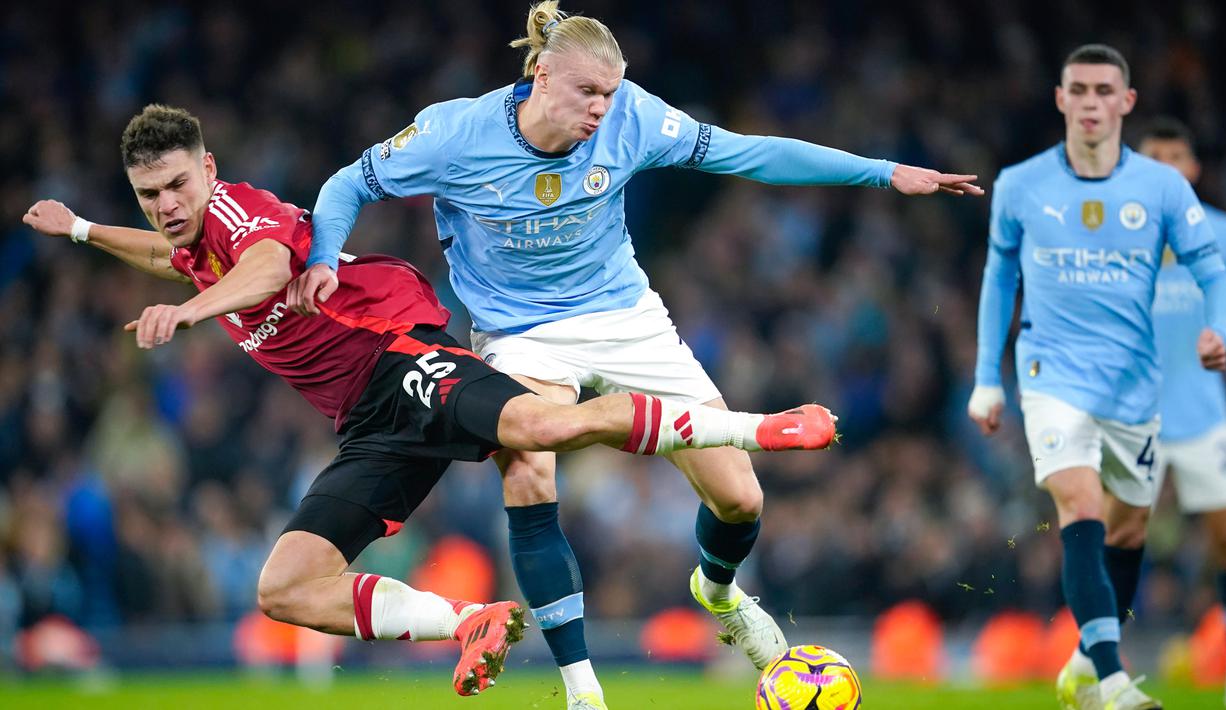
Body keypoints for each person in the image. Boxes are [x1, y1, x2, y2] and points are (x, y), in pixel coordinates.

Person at [287, 3, 982, 707]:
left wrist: (881, 172)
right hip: (517, 333)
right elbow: (349, 184)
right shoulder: (454, 132)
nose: (601, 109)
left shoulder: (634, 120)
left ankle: (717, 593)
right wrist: (319, 258)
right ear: (539, 73)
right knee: (528, 471)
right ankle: (581, 688)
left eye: (610, 93)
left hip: (625, 318)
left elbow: (748, 152)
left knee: (740, 499)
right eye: (587, 92)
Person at [21, 105, 839, 697]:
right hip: (367, 421)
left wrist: (190, 315)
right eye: (147, 196)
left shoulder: (236, 212)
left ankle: (758, 427)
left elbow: (268, 268)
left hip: (398, 353)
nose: (164, 207)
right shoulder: (190, 241)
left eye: (173, 186)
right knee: (286, 586)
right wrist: (87, 232)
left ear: (205, 169)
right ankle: (469, 621)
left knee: (543, 431)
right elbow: (174, 261)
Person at [968, 45, 1226, 710]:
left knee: (1127, 530)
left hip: (1137, 389)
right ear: (1059, 99)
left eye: (1101, 90)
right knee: (1079, 506)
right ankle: (1111, 679)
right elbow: (999, 277)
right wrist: (985, 376)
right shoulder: (1020, 184)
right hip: (1049, 372)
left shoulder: (1163, 191)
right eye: (1077, 90)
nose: (1089, 102)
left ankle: (1085, 660)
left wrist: (1218, 330)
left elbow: (1212, 270)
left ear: (1125, 101)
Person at [1138, 117, 1226, 708]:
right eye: (1156, 158)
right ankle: (1094, 667)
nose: (1169, 167)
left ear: (1193, 169)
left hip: (1202, 419)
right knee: (1110, 542)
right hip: (1133, 419)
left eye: (1179, 156)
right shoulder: (1113, 242)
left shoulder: (1223, 235)